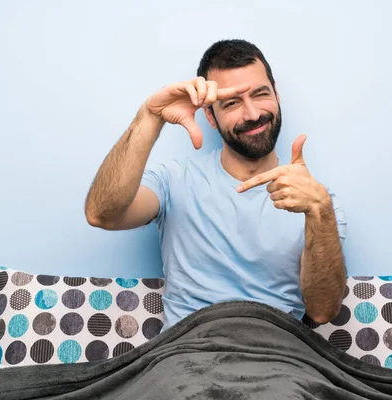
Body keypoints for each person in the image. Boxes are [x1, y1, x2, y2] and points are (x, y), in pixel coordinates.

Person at [84, 39, 348, 332]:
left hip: (279, 356)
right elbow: (102, 214)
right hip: (186, 354)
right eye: (232, 103)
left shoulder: (318, 201)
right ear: (210, 116)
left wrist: (319, 210)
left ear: (277, 95)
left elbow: (323, 311)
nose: (252, 114)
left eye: (260, 94)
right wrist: (150, 117)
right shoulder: (173, 181)